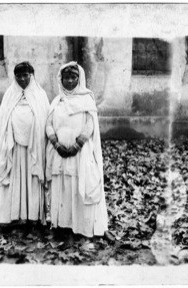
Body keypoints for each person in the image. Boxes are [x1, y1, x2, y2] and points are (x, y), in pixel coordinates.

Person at [45, 61, 114, 242]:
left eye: (73, 77)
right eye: (66, 77)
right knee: (63, 187)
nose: (69, 81)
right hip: (60, 153)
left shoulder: (86, 99)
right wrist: (56, 143)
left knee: (79, 186)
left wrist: (78, 144)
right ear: (61, 79)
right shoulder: (57, 101)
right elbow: (49, 124)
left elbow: (90, 125)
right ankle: (63, 225)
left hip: (79, 153)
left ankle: (81, 226)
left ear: (79, 78)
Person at [0, 62, 49, 230]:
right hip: (14, 149)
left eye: (26, 75)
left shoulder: (40, 95)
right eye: (19, 76)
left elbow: (44, 120)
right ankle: (13, 215)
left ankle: (32, 216)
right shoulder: (9, 95)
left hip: (34, 149)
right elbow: (2, 124)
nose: (23, 79)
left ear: (32, 76)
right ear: (15, 77)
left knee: (32, 178)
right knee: (14, 178)